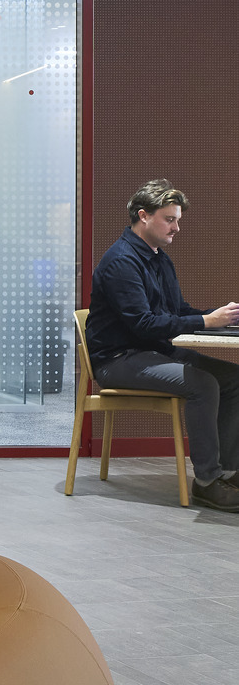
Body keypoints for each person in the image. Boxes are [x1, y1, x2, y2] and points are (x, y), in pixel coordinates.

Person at [88, 179, 239, 513]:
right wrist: (206, 321)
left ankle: (228, 473)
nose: (176, 228)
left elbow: (177, 312)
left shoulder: (159, 258)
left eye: (177, 220)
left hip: (152, 353)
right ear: (144, 215)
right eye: (169, 219)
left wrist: (221, 320)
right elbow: (143, 324)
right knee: (203, 385)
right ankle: (207, 483)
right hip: (118, 360)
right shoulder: (121, 262)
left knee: (233, 379)